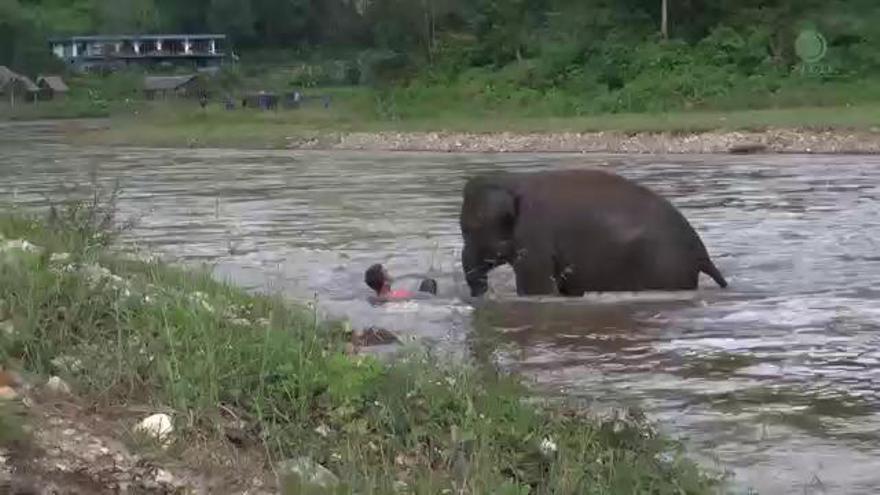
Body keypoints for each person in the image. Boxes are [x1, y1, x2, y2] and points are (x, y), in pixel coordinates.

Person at [365, 263, 437, 302]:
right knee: (429, 282)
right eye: (386, 272)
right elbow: (427, 297)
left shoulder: (374, 298)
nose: (390, 273)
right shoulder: (397, 295)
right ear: (385, 282)